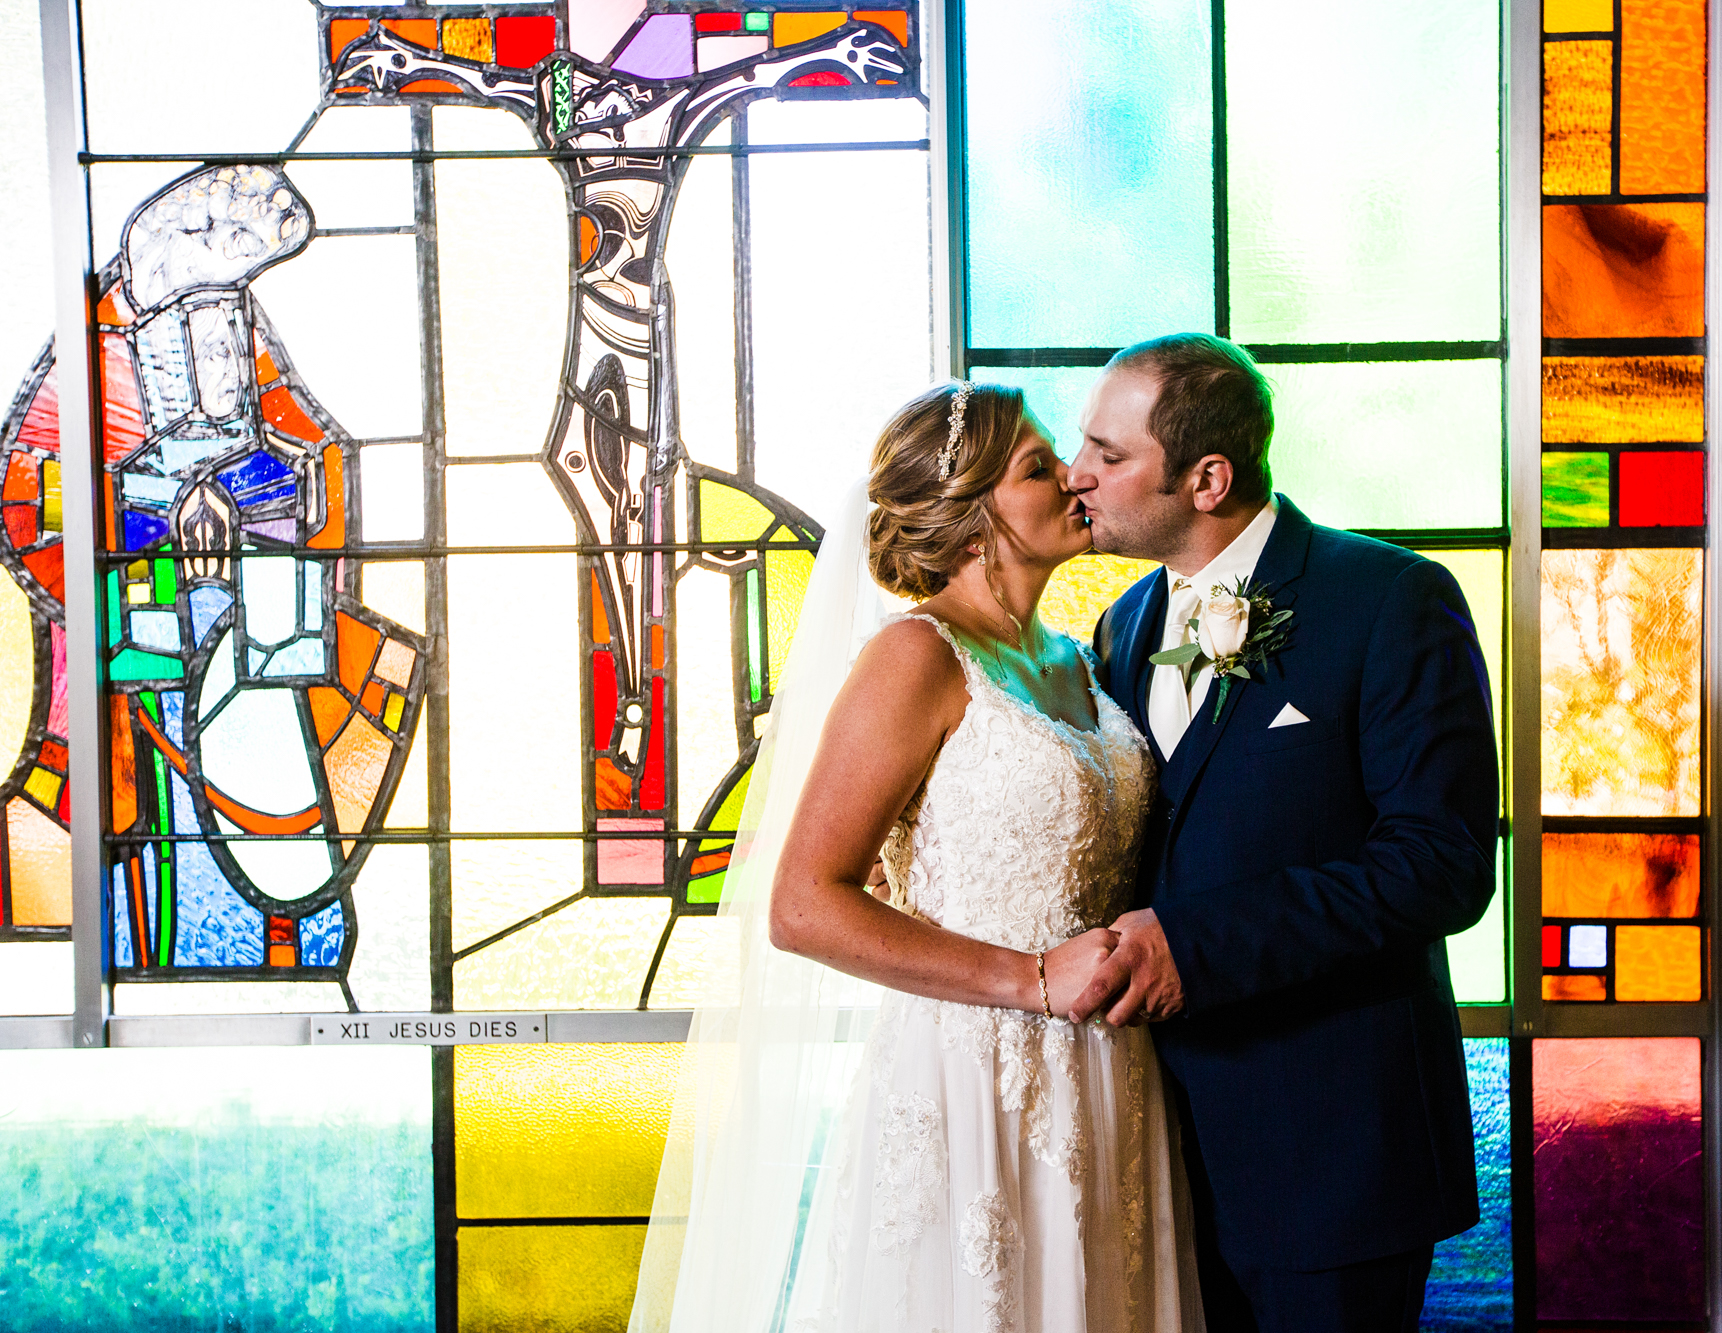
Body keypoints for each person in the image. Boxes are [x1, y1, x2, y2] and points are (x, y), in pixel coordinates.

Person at [632, 381, 1202, 1332]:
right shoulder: (916, 656)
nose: (1070, 475)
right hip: (971, 1076)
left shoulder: (1080, 659)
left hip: (1112, 1079)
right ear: (975, 520)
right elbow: (804, 904)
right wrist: (1030, 980)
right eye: (1034, 466)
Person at [1069, 334, 1500, 1333]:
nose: (1074, 473)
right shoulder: (1117, 628)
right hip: (1155, 1145)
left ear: (1206, 476)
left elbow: (1438, 865)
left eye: (1107, 452)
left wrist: (1197, 946)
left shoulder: (1388, 599)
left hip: (1334, 1144)